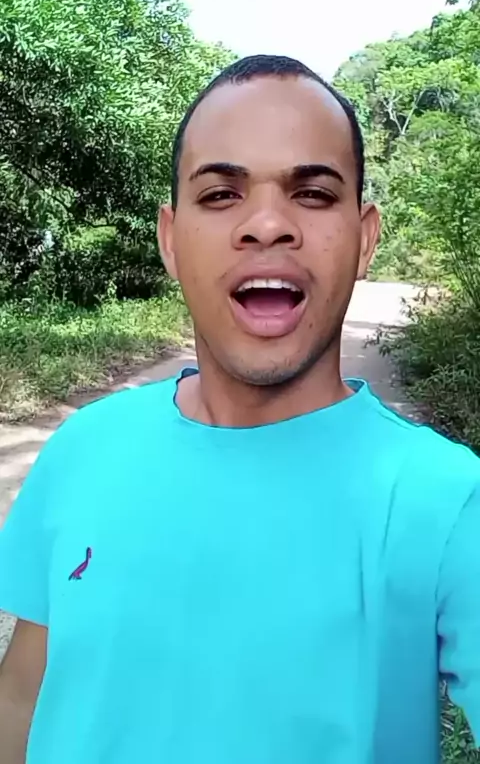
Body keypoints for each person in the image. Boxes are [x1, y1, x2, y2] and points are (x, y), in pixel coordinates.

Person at [0, 54, 479, 764]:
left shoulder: (446, 503)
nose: (267, 224)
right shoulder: (84, 446)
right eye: (221, 194)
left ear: (365, 238)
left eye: (312, 193)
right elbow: (23, 698)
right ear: (170, 239)